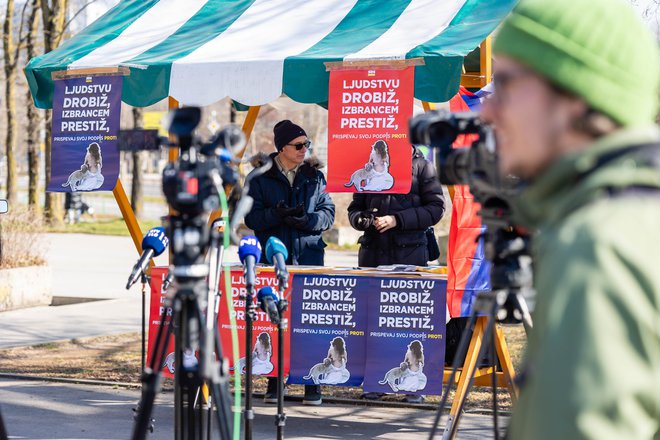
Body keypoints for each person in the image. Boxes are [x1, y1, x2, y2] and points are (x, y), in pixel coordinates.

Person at [480, 0, 660, 438]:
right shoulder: (636, 216)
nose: (488, 110)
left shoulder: (598, 245)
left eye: (505, 84)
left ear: (576, 95)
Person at [245, 119, 335, 406]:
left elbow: (328, 213)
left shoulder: (315, 176)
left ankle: (311, 384)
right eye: (298, 145)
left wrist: (307, 220)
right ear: (281, 148)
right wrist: (277, 214)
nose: (304, 149)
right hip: (274, 258)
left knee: (308, 323)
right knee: (274, 322)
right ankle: (274, 382)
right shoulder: (259, 177)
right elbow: (251, 217)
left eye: (306, 144)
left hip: (309, 258)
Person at [348, 144, 444, 403]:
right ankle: (374, 381)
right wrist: (362, 219)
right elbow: (354, 207)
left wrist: (397, 220)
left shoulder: (422, 166)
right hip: (373, 254)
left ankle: (415, 387)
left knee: (408, 319)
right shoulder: (366, 162)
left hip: (409, 255)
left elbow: (436, 208)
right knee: (372, 320)